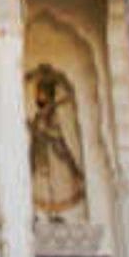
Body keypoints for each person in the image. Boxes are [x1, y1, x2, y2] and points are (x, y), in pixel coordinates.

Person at [27, 67, 85, 218]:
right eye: (37, 94)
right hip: (40, 154)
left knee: (56, 183)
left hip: (55, 154)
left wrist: (44, 130)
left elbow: (59, 132)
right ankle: (45, 212)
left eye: (41, 94)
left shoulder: (55, 112)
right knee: (42, 183)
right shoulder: (41, 113)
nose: (38, 97)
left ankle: (56, 212)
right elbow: (35, 128)